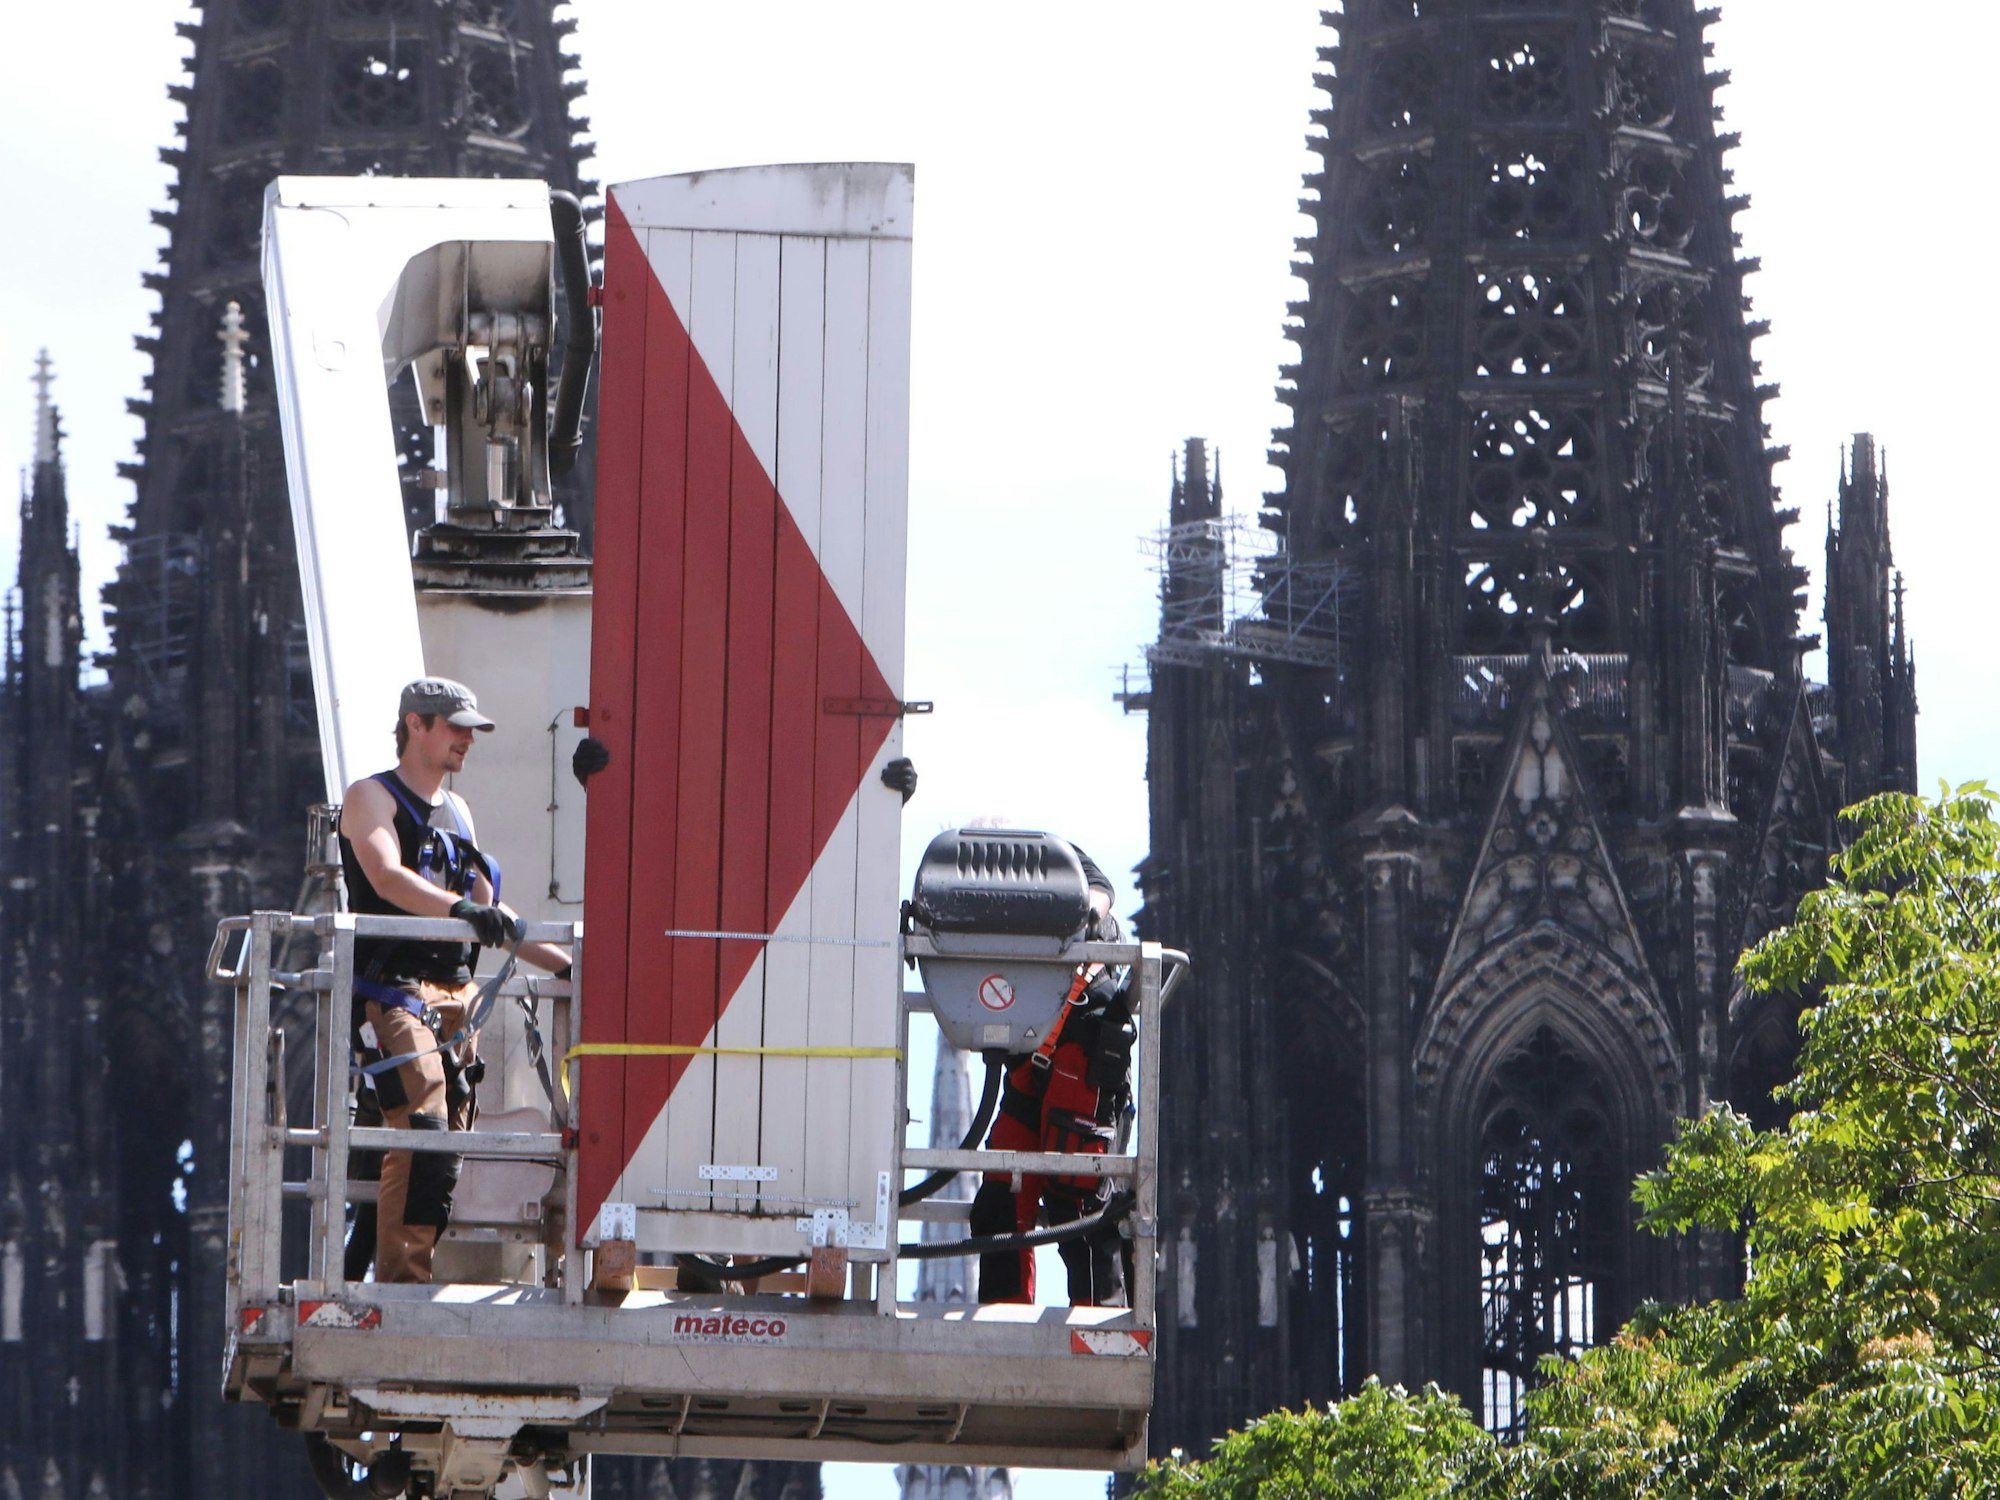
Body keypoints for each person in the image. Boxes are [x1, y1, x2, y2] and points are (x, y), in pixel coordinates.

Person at [339, 676, 570, 1283]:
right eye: (455, 726)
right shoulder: (370, 797)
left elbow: (495, 915)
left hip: (454, 1001)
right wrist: (460, 910)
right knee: (424, 1126)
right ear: (415, 724)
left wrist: (569, 965)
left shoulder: (458, 813)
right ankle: (401, 1284)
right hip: (394, 993)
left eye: (471, 729)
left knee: (443, 1154)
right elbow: (387, 877)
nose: (468, 739)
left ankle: (407, 1271)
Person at [969, 847, 1136, 1307]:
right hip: (1027, 1060)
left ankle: (1097, 1324)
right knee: (1000, 1196)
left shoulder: (1052, 856)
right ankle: (1004, 1320)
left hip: (1082, 1049)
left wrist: (1080, 919)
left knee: (1080, 1195)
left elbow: (1101, 893)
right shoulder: (974, 879)